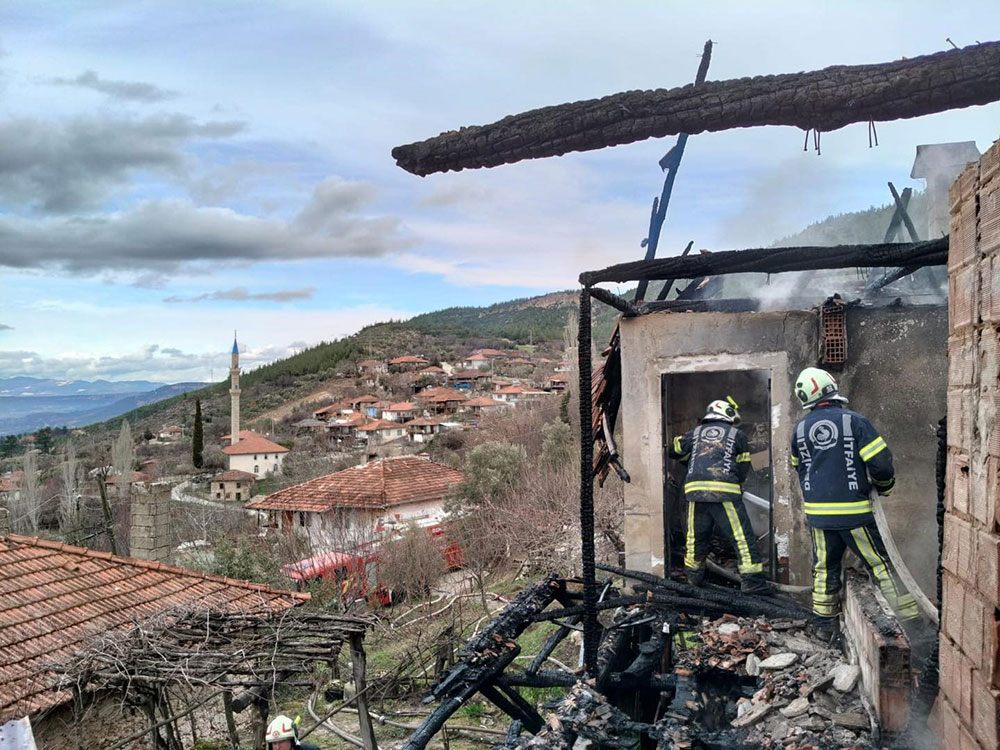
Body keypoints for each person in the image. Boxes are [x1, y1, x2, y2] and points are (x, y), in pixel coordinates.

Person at [790, 367, 919, 625]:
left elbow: (799, 467)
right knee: (880, 565)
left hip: (818, 517)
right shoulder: (855, 421)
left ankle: (824, 626)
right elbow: (880, 464)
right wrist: (885, 486)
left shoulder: (799, 429)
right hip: (854, 513)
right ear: (831, 388)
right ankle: (911, 622)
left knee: (824, 570)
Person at [669, 397, 771, 594]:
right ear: (728, 415)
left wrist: (688, 457)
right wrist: (737, 483)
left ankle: (693, 579)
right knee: (741, 537)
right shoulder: (737, 434)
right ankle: (753, 583)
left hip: (695, 492)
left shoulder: (695, 433)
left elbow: (675, 449)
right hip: (724, 491)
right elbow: (743, 467)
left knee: (695, 539)